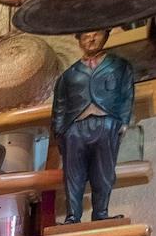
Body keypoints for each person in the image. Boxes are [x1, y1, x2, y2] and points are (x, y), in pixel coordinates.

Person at [51, 28, 135, 224]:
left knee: (104, 171)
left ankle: (101, 213)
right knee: (73, 174)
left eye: (96, 35)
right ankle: (73, 216)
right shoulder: (68, 75)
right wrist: (60, 130)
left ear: (105, 36)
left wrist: (124, 121)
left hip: (106, 122)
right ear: (79, 40)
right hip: (75, 127)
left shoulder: (119, 66)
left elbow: (127, 94)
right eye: (86, 36)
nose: (91, 39)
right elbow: (60, 105)